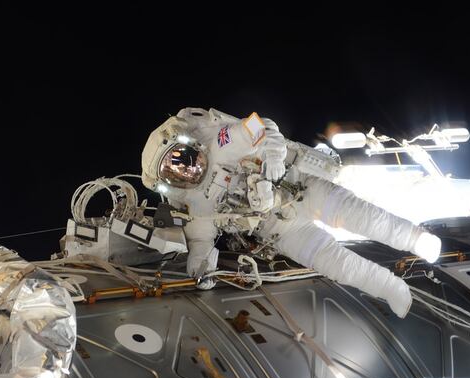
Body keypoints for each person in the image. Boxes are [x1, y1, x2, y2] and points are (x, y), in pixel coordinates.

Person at [141, 107, 441, 318]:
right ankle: (391, 289)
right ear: (170, 182)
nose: (187, 169)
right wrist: (200, 270)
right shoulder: (194, 203)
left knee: (362, 216)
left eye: (183, 158)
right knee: (335, 263)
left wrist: (272, 160)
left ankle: (417, 240)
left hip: (297, 189)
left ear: (190, 145)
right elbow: (200, 241)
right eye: (175, 171)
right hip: (277, 228)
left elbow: (263, 125)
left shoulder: (221, 142)